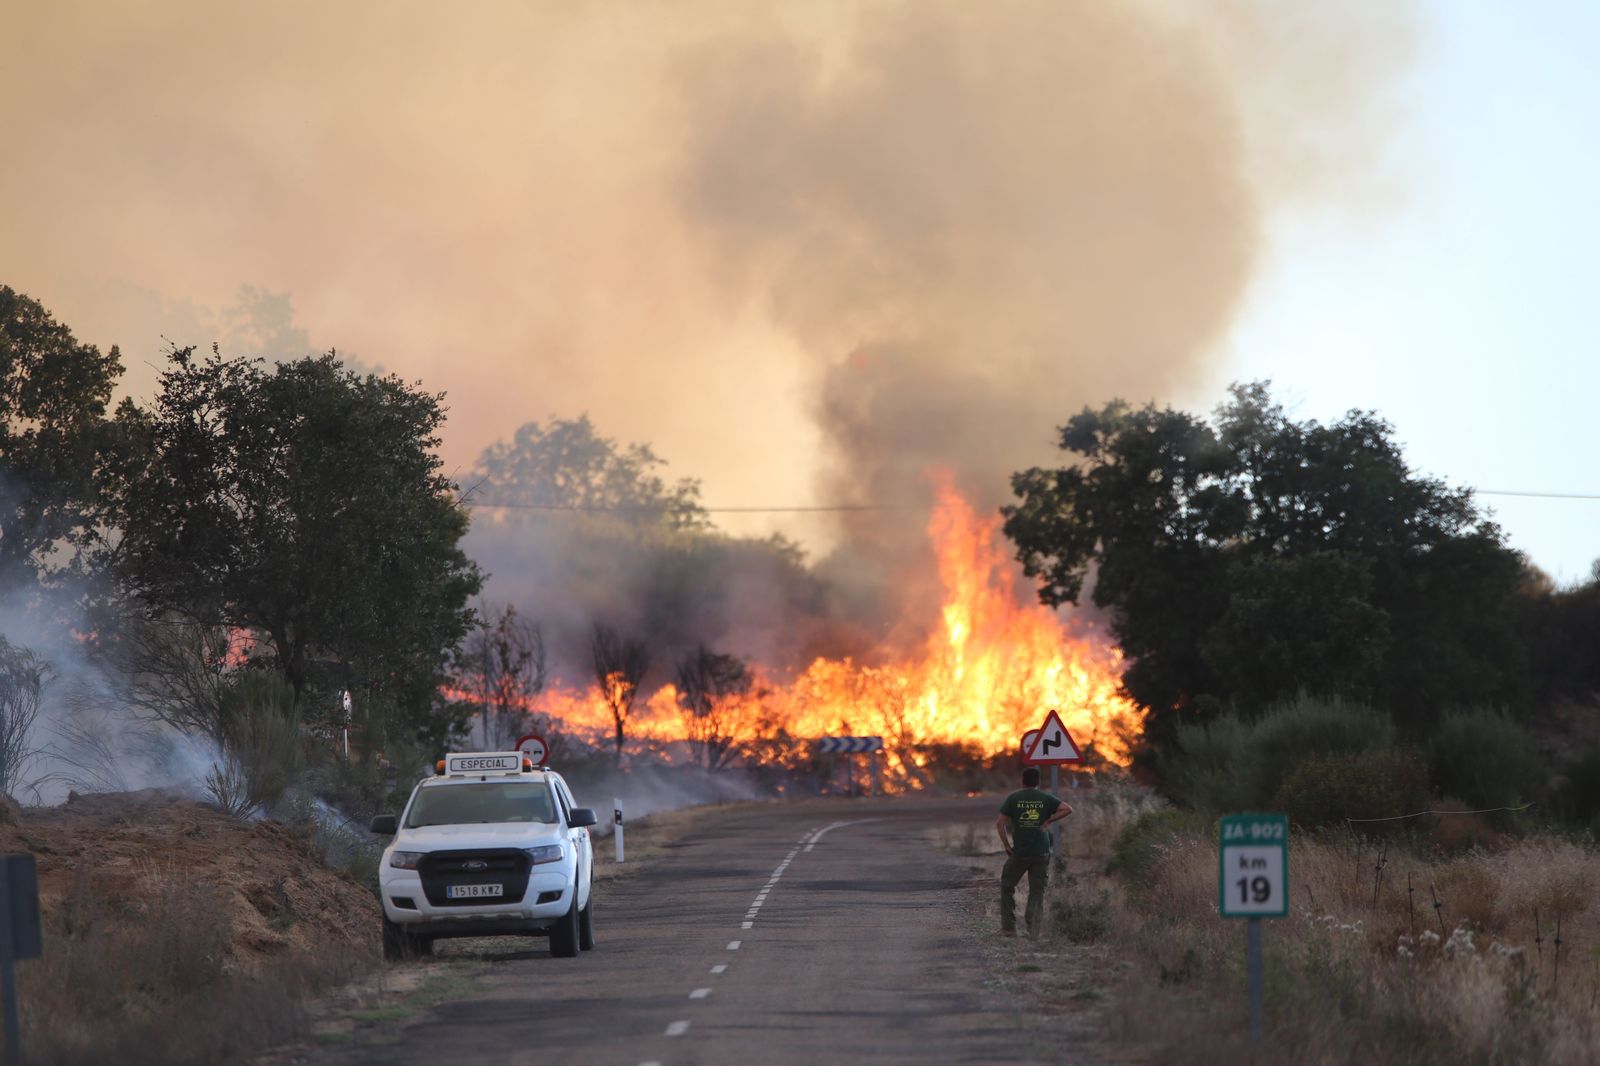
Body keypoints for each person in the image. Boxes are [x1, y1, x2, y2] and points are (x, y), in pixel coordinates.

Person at [996, 766, 1072, 938]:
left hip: (1020, 851)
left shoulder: (1014, 798)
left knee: (1008, 885)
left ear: (1022, 781)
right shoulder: (1045, 798)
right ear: (1038, 782)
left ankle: (1008, 928)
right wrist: (1048, 821)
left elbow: (999, 823)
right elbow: (1068, 809)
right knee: (1037, 890)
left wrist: (1007, 846)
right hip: (1041, 851)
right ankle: (1034, 930)